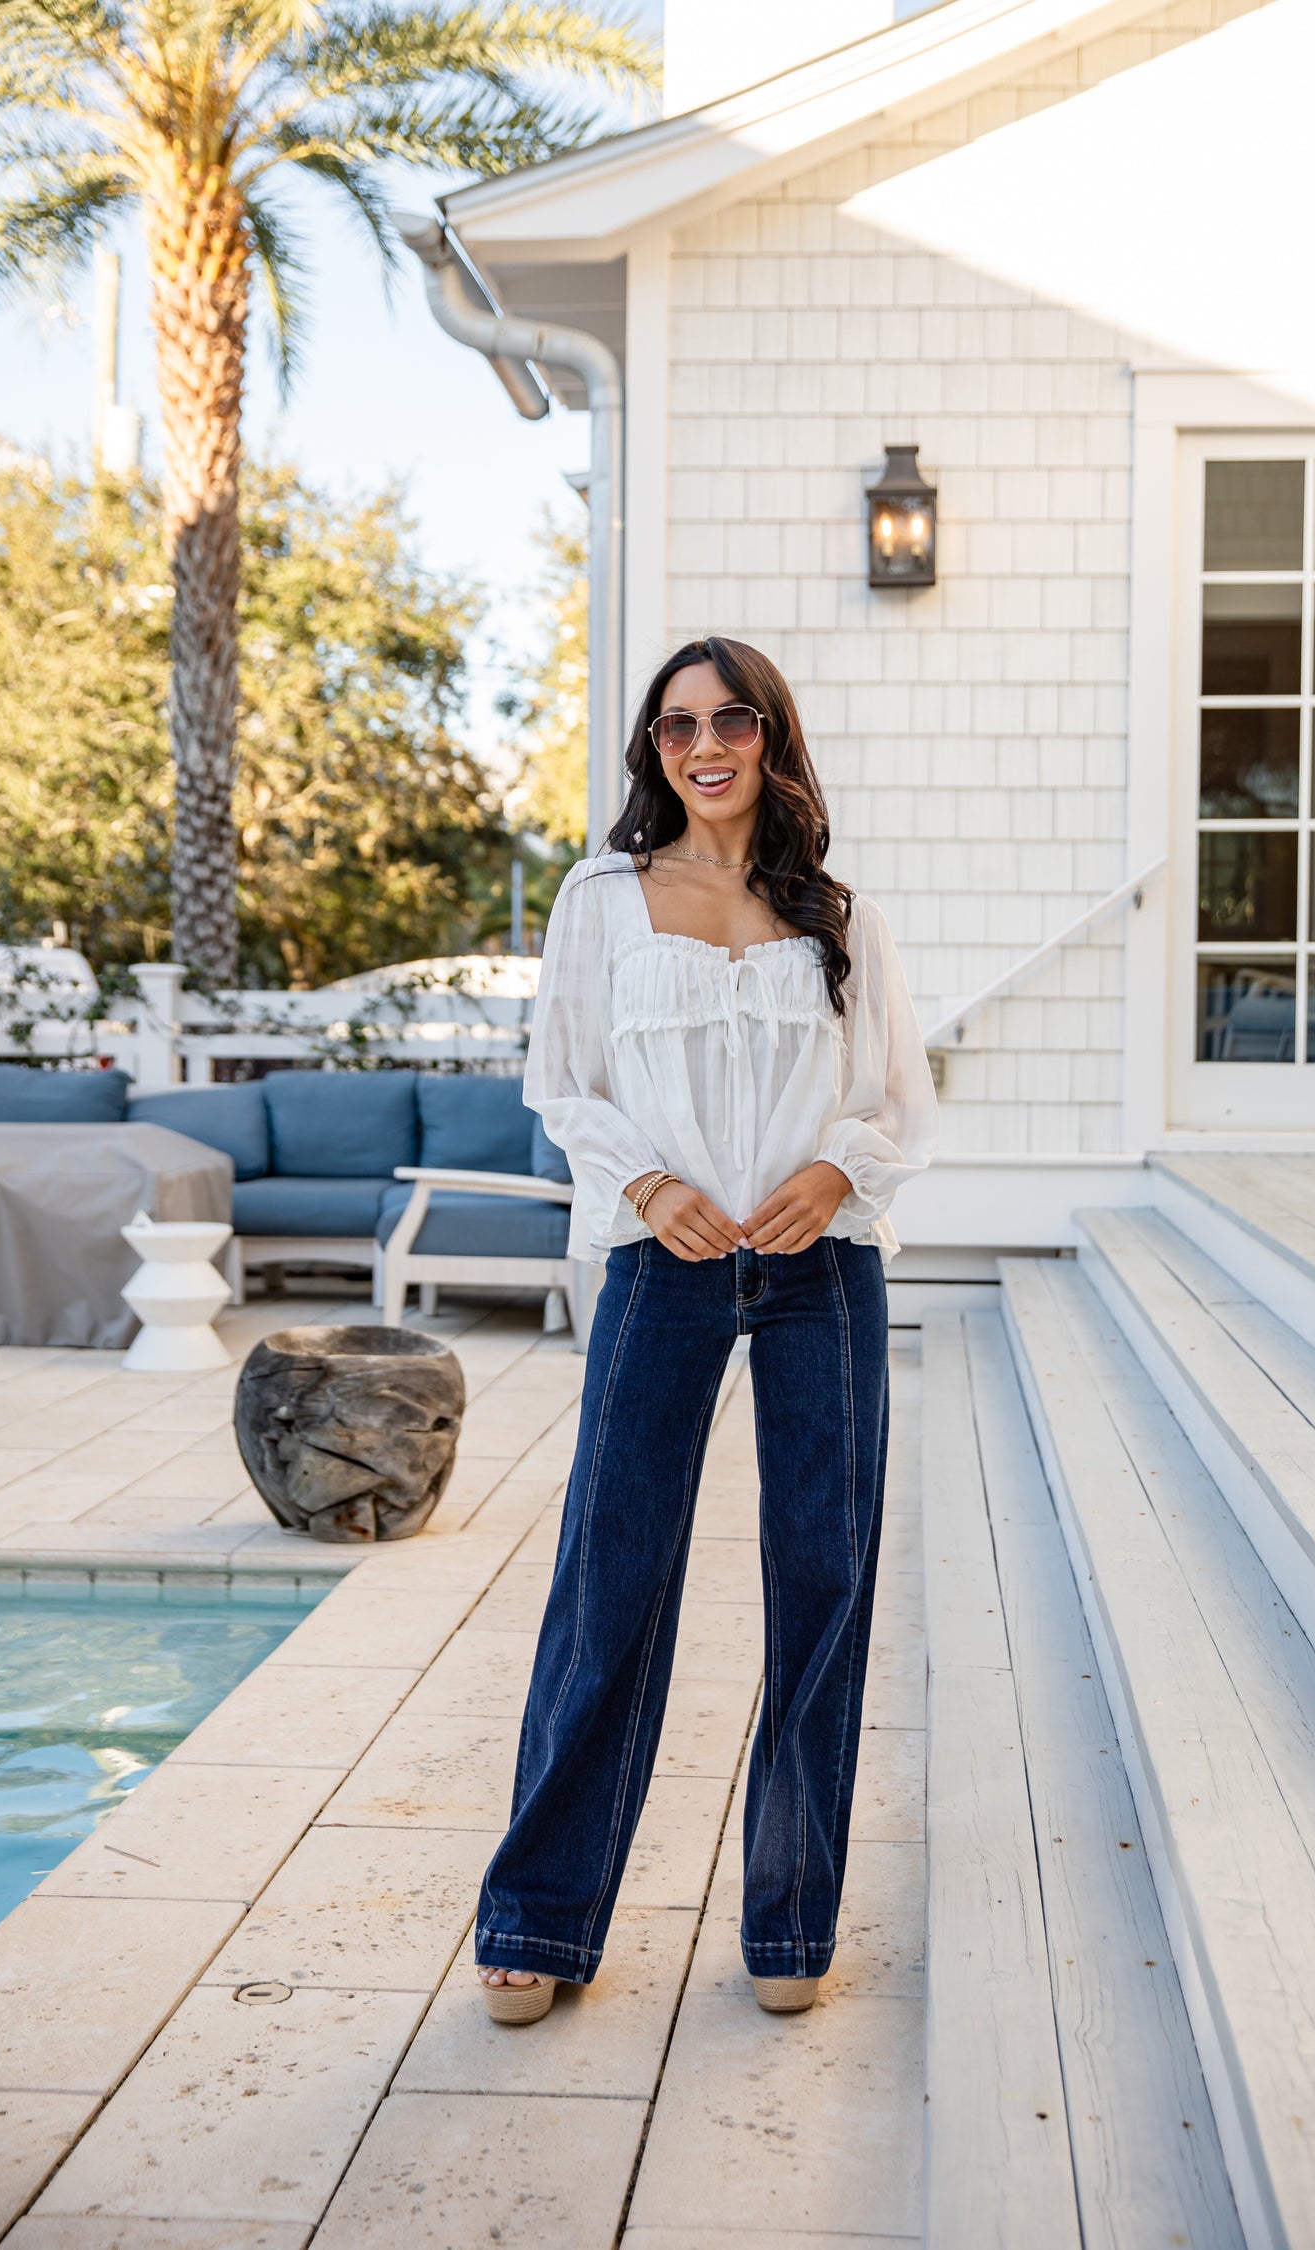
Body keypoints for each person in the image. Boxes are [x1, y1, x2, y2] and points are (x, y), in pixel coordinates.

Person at [475, 635, 937, 2024]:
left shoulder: (836, 910)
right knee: (607, 1582)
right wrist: (652, 1181)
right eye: (677, 725)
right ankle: (539, 1918)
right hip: (661, 1261)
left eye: (732, 718)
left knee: (824, 1583)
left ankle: (792, 1924)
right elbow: (562, 1078)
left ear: (772, 738)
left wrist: (839, 1167)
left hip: (820, 1266)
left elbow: (902, 1091)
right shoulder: (602, 897)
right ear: (655, 751)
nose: (705, 743)